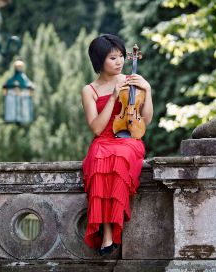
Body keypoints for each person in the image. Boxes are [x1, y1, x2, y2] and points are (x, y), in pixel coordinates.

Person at [81, 34, 153, 256]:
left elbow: (145, 120)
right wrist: (112, 98)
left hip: (128, 138)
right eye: (113, 58)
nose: (120, 62)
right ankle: (108, 233)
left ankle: (109, 232)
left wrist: (147, 90)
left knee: (119, 155)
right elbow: (96, 128)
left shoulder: (132, 80)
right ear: (99, 60)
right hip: (103, 140)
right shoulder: (89, 90)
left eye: (121, 56)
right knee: (101, 158)